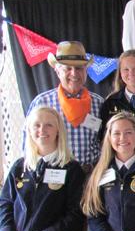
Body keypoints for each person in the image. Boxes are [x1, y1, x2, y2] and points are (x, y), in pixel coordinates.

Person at [0, 107, 85, 231]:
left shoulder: (71, 169)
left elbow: (76, 214)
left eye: (49, 125)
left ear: (58, 130)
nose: (42, 130)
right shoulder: (19, 166)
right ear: (29, 130)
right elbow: (5, 204)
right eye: (36, 125)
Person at [25, 41, 103, 172]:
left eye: (79, 68)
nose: (74, 73)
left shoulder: (99, 103)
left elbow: (106, 142)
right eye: (68, 68)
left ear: (86, 71)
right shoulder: (42, 103)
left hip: (90, 176)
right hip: (54, 176)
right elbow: (27, 145)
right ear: (57, 71)